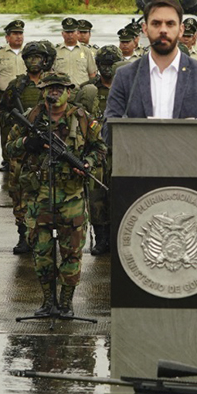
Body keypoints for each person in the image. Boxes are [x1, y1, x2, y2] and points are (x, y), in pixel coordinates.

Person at [5, 72, 107, 318]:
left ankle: (66, 303)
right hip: (39, 195)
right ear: (42, 91)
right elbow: (9, 147)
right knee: (41, 253)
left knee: (71, 252)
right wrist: (26, 143)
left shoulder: (83, 119)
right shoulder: (31, 117)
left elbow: (100, 148)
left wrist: (87, 163)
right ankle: (47, 302)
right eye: (50, 87)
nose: (54, 91)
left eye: (60, 87)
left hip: (71, 196)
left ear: (69, 92)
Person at [103, 0, 197, 122]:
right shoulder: (125, 77)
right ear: (145, 29)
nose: (163, 30)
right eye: (156, 23)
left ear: (181, 30)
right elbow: (109, 131)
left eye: (170, 23)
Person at [0, 41, 52, 254]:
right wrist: (18, 124)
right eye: (30, 57)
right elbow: (3, 111)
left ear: (45, 60)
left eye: (38, 57)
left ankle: (45, 235)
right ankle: (23, 235)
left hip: (46, 145)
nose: (34, 62)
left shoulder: (52, 83)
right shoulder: (16, 86)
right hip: (23, 147)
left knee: (47, 192)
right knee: (19, 191)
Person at [75, 45, 121, 255]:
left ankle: (118, 237)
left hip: (121, 151)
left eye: (111, 64)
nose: (107, 69)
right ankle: (101, 239)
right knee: (96, 197)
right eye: (103, 64)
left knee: (120, 194)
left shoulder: (126, 88)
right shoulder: (87, 89)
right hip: (96, 152)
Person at [54, 17, 97, 83]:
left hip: (81, 89)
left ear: (77, 33)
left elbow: (92, 74)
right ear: (62, 34)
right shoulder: (55, 51)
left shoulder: (86, 51)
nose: (70, 35)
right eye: (67, 32)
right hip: (62, 90)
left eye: (72, 32)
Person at [0, 20, 26, 91]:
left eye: (20, 33)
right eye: (15, 34)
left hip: (25, 95)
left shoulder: (28, 52)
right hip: (5, 95)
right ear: (7, 37)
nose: (18, 37)